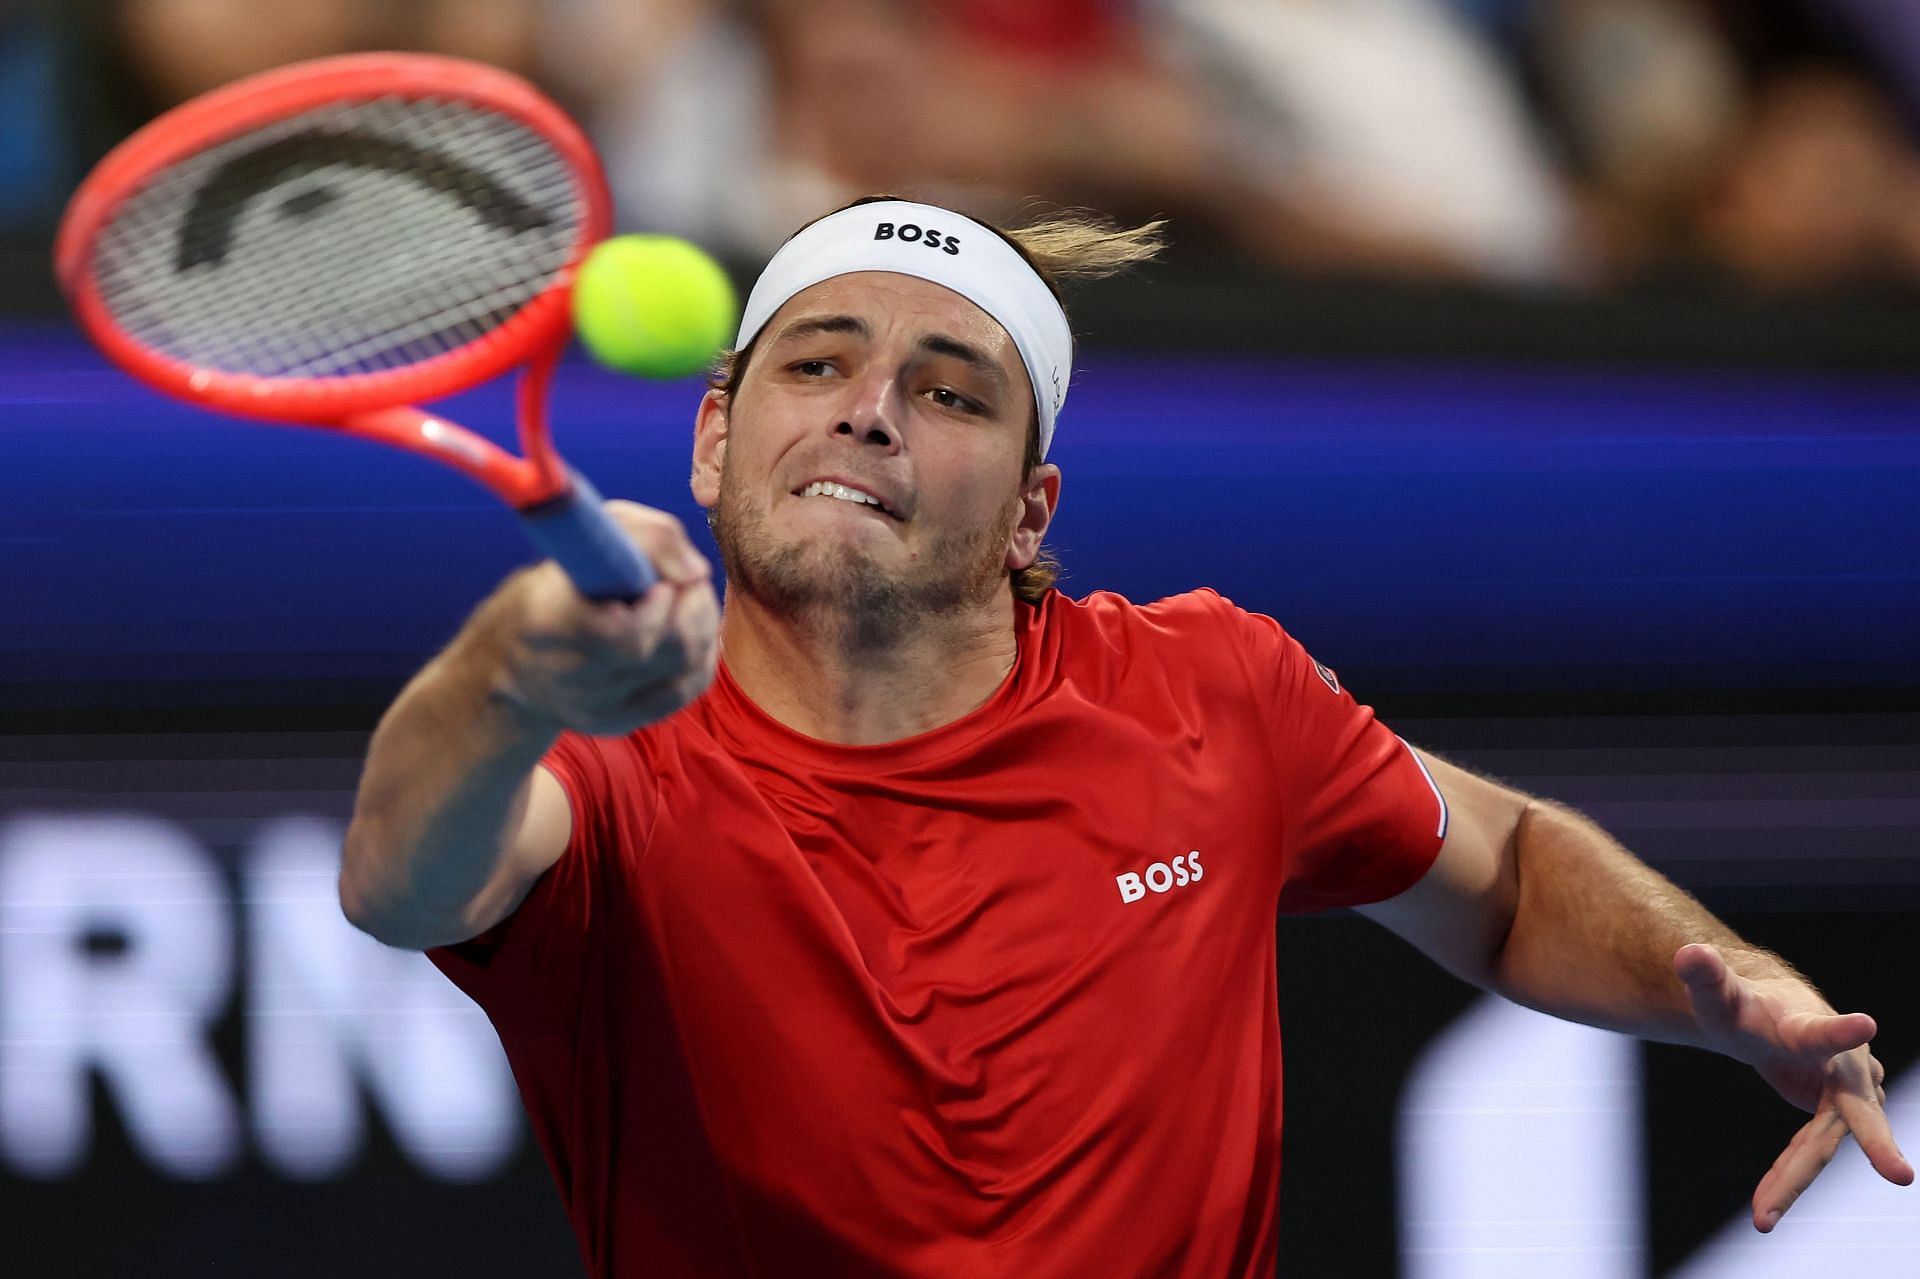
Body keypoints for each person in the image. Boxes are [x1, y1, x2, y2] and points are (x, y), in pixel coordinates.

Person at [339, 196, 1910, 1277]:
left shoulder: (1211, 690)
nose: (870, 408)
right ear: (713, 437)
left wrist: (1732, 989)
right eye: (815, 363)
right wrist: (511, 673)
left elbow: (1499, 869)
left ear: (1033, 512)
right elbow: (404, 884)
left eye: (950, 393)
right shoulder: (608, 773)